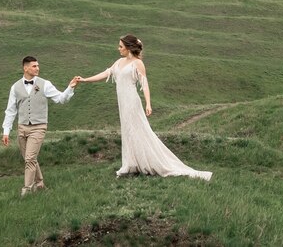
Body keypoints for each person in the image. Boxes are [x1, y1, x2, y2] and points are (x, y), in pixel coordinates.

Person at [76, 35, 212, 181]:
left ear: (128, 48)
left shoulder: (138, 63)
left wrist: (148, 103)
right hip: (122, 103)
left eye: (121, 46)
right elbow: (105, 74)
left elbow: (144, 84)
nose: (118, 49)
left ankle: (147, 163)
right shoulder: (119, 62)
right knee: (128, 131)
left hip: (132, 102)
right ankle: (131, 164)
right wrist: (85, 80)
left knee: (138, 130)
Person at [2, 56, 79, 196]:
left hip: (39, 127)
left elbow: (61, 99)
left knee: (30, 158)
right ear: (25, 68)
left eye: (38, 66)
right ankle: (40, 183)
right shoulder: (15, 87)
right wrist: (6, 131)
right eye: (34, 66)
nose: (37, 68)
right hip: (22, 127)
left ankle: (26, 190)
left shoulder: (45, 84)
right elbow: (11, 110)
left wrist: (70, 88)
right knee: (29, 158)